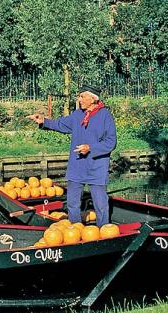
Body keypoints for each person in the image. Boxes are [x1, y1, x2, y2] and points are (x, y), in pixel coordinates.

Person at [27, 85, 117, 226]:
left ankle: (104, 230)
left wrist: (91, 148)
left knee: (101, 204)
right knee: (72, 202)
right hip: (77, 165)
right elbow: (61, 124)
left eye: (82, 96)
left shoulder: (105, 115)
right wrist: (44, 121)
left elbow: (111, 142)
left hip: (97, 167)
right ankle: (75, 229)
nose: (79, 99)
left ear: (93, 98)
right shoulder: (77, 115)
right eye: (79, 96)